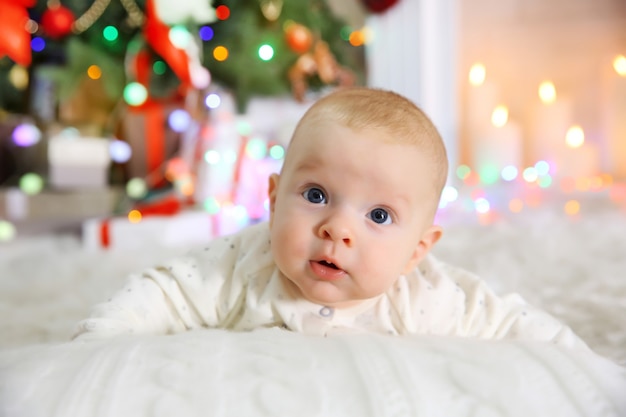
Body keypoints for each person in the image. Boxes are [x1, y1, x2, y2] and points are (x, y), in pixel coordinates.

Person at [74, 87, 588, 350]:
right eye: (316, 194)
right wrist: (103, 341)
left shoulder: (429, 299)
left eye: (380, 215)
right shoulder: (240, 267)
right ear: (273, 201)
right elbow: (165, 292)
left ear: (417, 250)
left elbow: (513, 323)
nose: (337, 229)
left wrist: (585, 368)